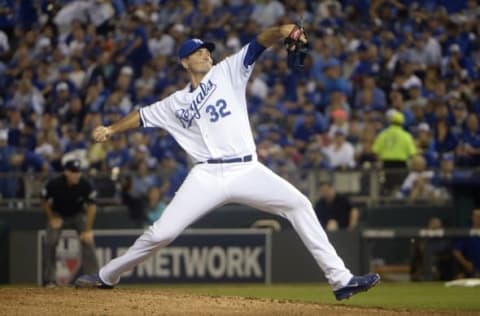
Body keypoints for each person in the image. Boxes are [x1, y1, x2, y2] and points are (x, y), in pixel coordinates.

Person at [75, 24, 380, 300]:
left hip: (247, 169)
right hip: (207, 174)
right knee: (161, 234)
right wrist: (111, 129)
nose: (205, 53)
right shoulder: (175, 103)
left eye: (207, 49)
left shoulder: (228, 71)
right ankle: (107, 276)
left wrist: (284, 30)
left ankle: (341, 281)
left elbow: (259, 42)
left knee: (299, 204)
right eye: (197, 51)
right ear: (185, 62)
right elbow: (141, 116)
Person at [41, 158, 99, 286]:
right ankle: (49, 280)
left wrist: (88, 230)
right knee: (50, 241)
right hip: (58, 215)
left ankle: (93, 278)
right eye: (73, 172)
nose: (76, 174)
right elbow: (44, 199)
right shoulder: (55, 184)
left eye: (78, 171)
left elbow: (92, 207)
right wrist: (51, 218)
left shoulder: (84, 184)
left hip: (77, 215)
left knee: (88, 241)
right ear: (66, 172)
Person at [452, 209, 480, 278]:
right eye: (476, 216)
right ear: (472, 218)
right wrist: (465, 263)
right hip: (471, 269)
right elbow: (456, 251)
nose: (479, 218)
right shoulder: (466, 232)